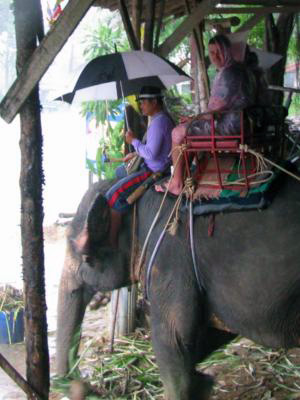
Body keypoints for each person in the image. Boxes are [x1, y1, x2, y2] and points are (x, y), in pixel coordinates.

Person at [155, 33, 256, 196]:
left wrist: (193, 119)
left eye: (219, 51)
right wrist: (194, 120)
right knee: (189, 129)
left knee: (178, 132)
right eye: (212, 52)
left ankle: (176, 183)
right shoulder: (242, 70)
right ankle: (183, 176)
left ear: (227, 51)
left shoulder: (228, 73)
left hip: (229, 125)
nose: (215, 56)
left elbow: (214, 113)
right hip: (242, 121)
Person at [105, 85, 174, 247]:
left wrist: (134, 141)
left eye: (143, 102)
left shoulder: (159, 123)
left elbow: (151, 154)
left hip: (154, 170)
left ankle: (113, 241)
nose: (140, 105)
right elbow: (154, 148)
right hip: (149, 163)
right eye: (140, 102)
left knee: (112, 195)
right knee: (120, 172)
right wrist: (135, 153)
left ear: (155, 102)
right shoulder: (159, 119)